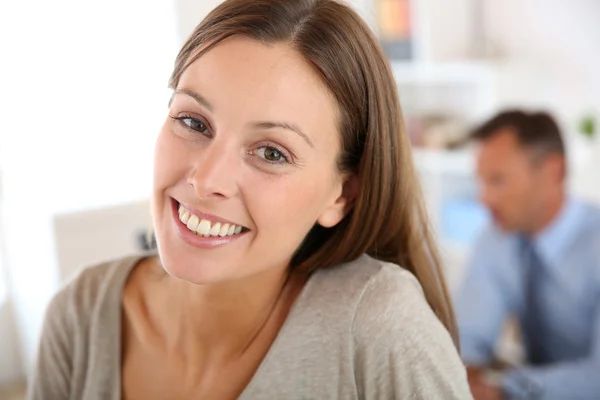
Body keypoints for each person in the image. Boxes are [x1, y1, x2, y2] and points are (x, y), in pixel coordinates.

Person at [28, 0, 471, 399]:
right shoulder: (80, 316)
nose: (206, 180)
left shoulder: (380, 330)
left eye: (272, 152)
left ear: (342, 195)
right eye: (193, 122)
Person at [456, 110, 600, 399]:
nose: (484, 198)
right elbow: (466, 343)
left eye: (497, 180)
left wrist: (506, 388)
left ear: (553, 171)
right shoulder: (495, 238)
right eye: (481, 181)